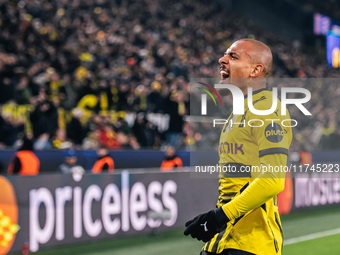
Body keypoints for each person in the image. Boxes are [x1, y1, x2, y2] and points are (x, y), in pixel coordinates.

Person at [184, 39, 292, 255]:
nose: (221, 60)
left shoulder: (265, 110)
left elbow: (272, 181)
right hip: (225, 240)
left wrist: (218, 217)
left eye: (233, 56)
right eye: (225, 55)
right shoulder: (241, 111)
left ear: (256, 70)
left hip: (251, 245)